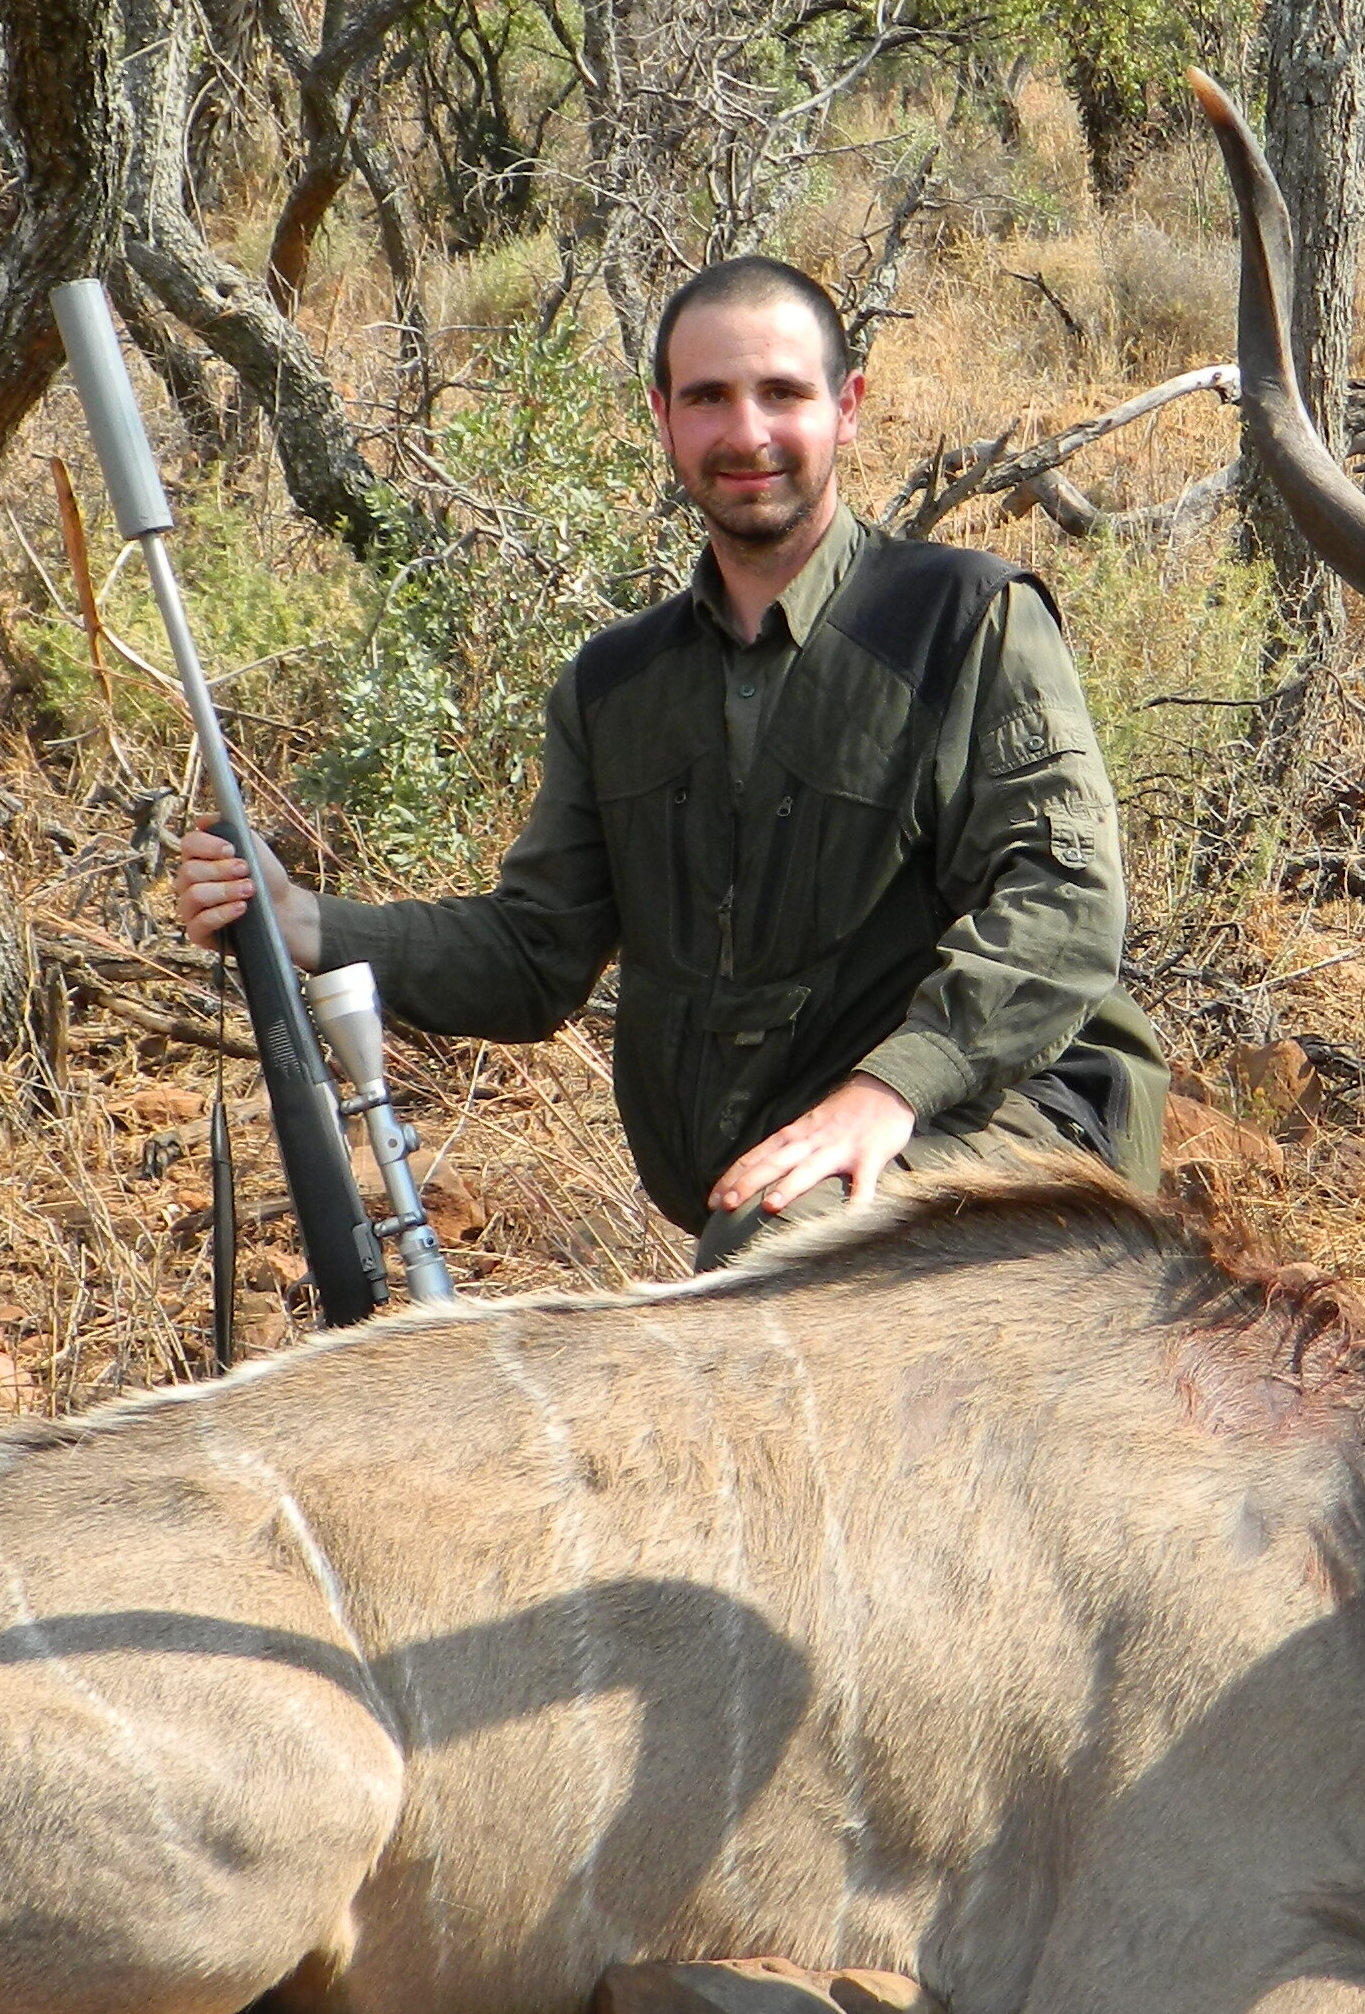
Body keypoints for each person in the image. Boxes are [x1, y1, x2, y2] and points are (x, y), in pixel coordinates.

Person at [180, 254, 1163, 1269]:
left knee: (778, 1252)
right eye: (708, 399)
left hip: (1009, 1120)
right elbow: (533, 959)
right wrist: (305, 921)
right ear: (663, 417)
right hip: (794, 1169)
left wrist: (889, 1092)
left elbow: (1065, 904)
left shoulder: (966, 618)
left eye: (782, 393)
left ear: (848, 407)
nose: (747, 435)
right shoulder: (616, 687)